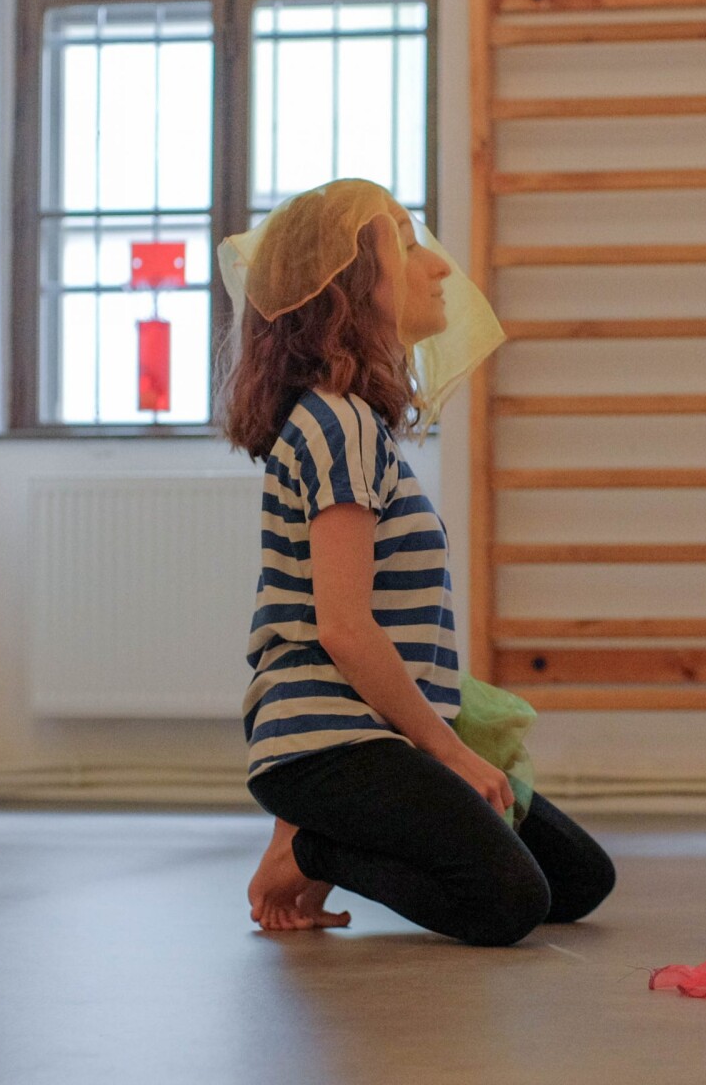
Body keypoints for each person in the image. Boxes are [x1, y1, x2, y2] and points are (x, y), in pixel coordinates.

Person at [219, 178, 615, 943]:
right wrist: (451, 754)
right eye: (405, 246)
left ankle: (324, 830)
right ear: (347, 289)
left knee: (578, 879)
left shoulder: (353, 421)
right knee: (508, 902)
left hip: (377, 735)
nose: (437, 267)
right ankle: (310, 847)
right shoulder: (337, 425)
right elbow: (342, 627)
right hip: (329, 743)